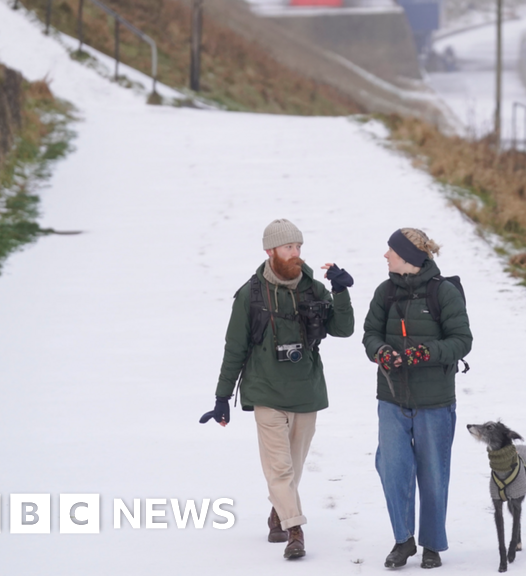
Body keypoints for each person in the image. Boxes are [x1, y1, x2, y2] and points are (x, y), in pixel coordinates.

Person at [200, 219, 355, 560]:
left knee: (293, 466)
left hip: (306, 392)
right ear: (269, 251)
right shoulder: (250, 294)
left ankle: (278, 513)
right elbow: (234, 347)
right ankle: (294, 530)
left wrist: (341, 292)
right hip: (266, 392)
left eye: (299, 247)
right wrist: (222, 397)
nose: (296, 254)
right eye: (288, 248)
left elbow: (343, 329)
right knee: (280, 468)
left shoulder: (314, 288)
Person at [362, 228, 473, 569]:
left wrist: (421, 353)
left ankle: (432, 546)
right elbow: (370, 334)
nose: (385, 256)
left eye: (390, 251)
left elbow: (461, 341)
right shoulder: (385, 292)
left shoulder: (445, 293)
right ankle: (403, 540)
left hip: (435, 401)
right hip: (392, 398)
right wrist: (381, 351)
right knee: (392, 468)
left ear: (408, 257)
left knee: (433, 474)